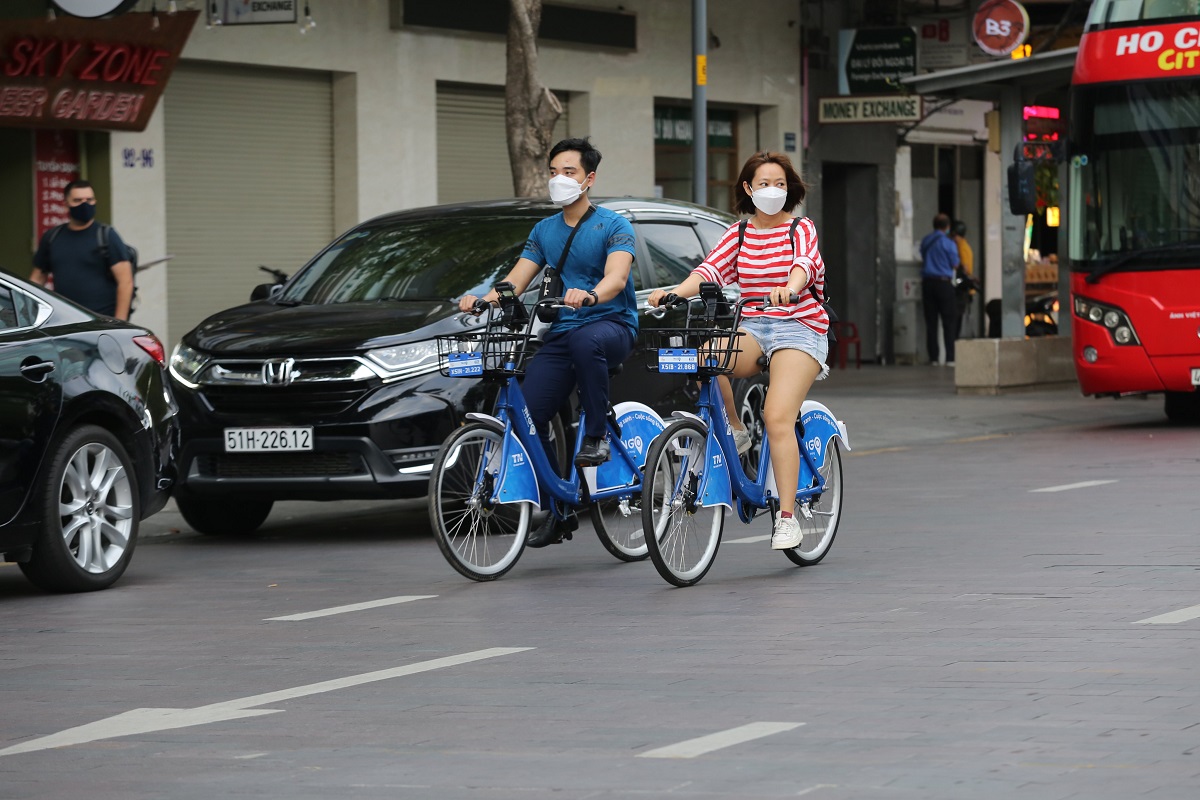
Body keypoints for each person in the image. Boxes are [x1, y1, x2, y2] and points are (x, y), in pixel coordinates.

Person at [459, 137, 638, 548]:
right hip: (563, 332)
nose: (559, 179)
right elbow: (516, 280)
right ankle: (559, 508)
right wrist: (482, 300)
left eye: (569, 172)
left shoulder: (613, 225)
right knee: (527, 414)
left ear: (589, 179)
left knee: (585, 343)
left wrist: (590, 294)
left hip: (611, 324)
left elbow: (617, 278)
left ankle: (597, 434)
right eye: (553, 172)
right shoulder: (544, 230)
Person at [648, 151, 829, 551]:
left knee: (777, 416)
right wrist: (673, 292)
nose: (772, 191)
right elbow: (710, 271)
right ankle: (734, 428)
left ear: (790, 189)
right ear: (748, 188)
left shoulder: (801, 228)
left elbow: (803, 264)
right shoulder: (739, 234)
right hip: (754, 326)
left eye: (780, 184)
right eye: (764, 184)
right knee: (706, 359)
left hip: (800, 328)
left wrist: (791, 287)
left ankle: (786, 518)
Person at [30, 180, 134, 321]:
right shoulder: (52, 237)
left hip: (100, 323)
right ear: (66, 205)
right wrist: (28, 312)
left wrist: (120, 323)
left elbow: (125, 282)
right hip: (63, 322)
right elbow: (37, 278)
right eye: (78, 200)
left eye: (89, 200)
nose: (85, 204)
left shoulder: (107, 236)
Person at [918, 213, 960, 366]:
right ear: (947, 227)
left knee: (931, 322)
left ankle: (933, 358)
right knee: (949, 321)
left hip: (928, 284)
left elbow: (922, 256)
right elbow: (955, 264)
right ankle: (950, 358)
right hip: (944, 284)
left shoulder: (926, 241)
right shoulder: (948, 243)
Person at [952, 220, 976, 339]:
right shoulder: (965, 245)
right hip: (966, 287)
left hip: (963, 289)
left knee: (957, 318)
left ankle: (955, 342)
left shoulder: (961, 247)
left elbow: (965, 268)